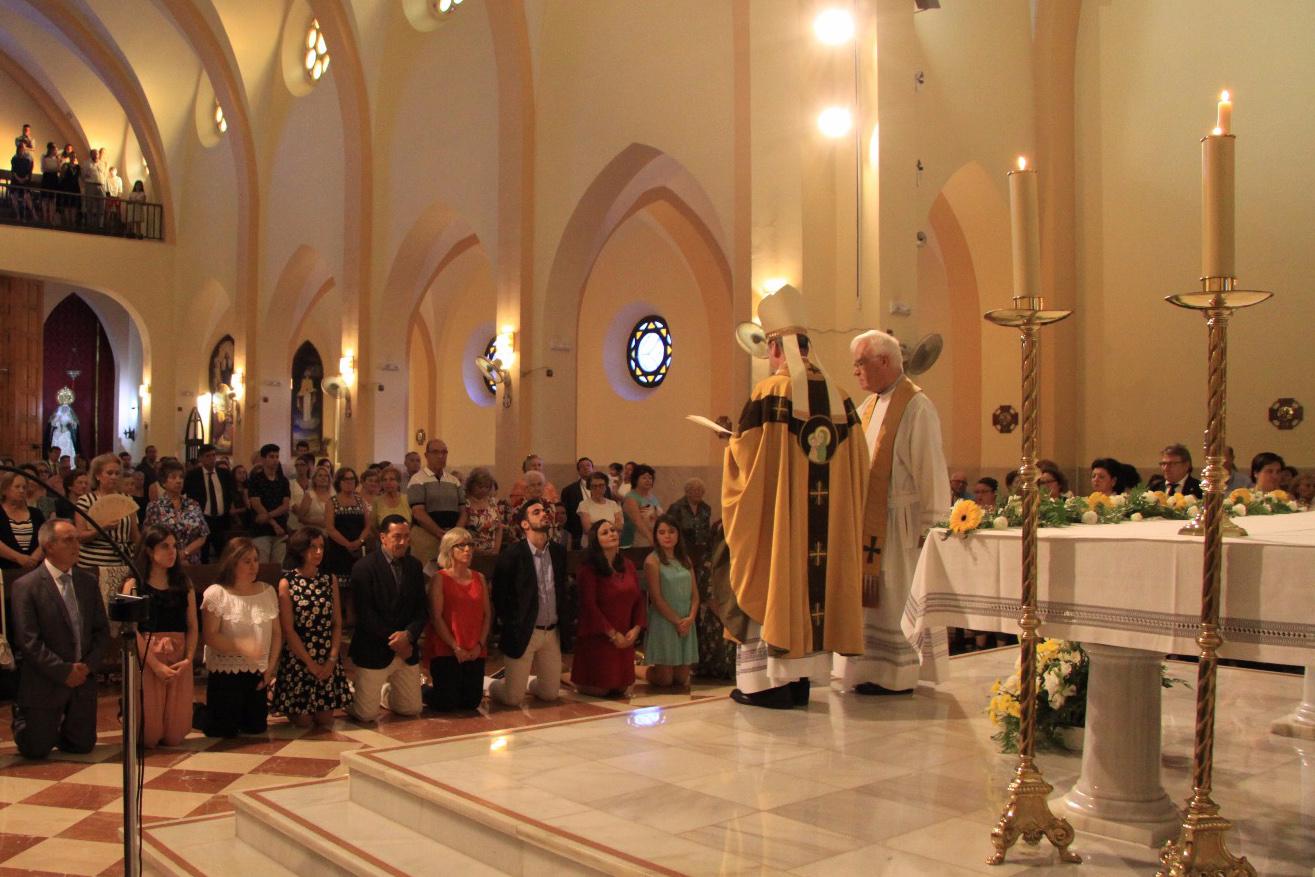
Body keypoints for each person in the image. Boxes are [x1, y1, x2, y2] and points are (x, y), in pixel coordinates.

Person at [720, 285, 867, 709]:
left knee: (766, 578)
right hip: (826, 527)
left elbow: (748, 455)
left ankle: (766, 686)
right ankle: (802, 681)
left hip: (779, 522)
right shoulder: (841, 398)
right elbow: (860, 462)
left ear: (775, 347)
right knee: (813, 588)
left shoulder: (769, 392)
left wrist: (729, 447)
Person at [835, 326, 947, 697]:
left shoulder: (916, 406)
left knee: (897, 597)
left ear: (884, 360)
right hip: (870, 524)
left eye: (860, 362)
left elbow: (931, 471)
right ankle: (867, 670)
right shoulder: (867, 408)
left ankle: (897, 675)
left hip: (902, 529)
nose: (855, 370)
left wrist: (932, 528)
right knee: (871, 604)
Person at [10, 520, 110, 759]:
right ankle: (25, 717)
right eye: (68, 540)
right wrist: (64, 671)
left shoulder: (87, 582)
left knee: (81, 746)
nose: (77, 545)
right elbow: (28, 641)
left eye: (77, 539)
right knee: (36, 749)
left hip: (82, 678)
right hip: (45, 679)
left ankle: (66, 722)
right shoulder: (27, 586)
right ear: (49, 546)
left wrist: (87, 666)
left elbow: (101, 631)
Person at [489, 500, 572, 707]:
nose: (544, 514)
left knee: (550, 694)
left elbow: (562, 590)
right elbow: (499, 595)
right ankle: (491, 685)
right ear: (525, 524)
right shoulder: (512, 555)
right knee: (513, 699)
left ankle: (523, 682)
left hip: (551, 632)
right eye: (536, 512)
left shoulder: (558, 552)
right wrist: (513, 623)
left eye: (544, 510)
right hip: (524, 630)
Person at [120, 526, 198, 747]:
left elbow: (193, 626)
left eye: (174, 546)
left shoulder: (183, 583)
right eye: (165, 546)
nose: (172, 552)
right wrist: (155, 665)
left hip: (178, 653)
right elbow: (131, 628)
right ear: (148, 550)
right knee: (149, 737)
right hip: (147, 654)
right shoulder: (134, 584)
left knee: (174, 736)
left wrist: (188, 659)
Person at [347, 516, 428, 723]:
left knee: (411, 709)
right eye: (397, 537)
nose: (403, 542)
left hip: (406, 648)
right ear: (383, 537)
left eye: (406, 537)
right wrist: (396, 641)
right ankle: (358, 691)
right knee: (366, 715)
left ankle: (383, 694)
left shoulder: (414, 566)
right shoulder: (364, 567)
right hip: (374, 647)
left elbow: (421, 609)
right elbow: (365, 614)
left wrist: (409, 636)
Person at [199, 538, 281, 738]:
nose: (254, 566)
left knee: (256, 728)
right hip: (226, 672)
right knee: (223, 730)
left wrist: (270, 669)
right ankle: (197, 712)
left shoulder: (267, 591)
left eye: (256, 560)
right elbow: (210, 636)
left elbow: (277, 633)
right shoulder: (217, 594)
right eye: (247, 561)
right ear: (232, 563)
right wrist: (241, 646)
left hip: (257, 671)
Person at [272, 528, 352, 728]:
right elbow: (288, 629)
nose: (318, 552)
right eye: (312, 547)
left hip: (325, 652)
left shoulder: (329, 579)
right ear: (300, 550)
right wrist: (310, 664)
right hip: (299, 656)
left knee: (324, 720)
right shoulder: (287, 582)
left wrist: (332, 659)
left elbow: (337, 623)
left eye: (321, 547)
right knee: (304, 722)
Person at [571, 521, 645, 697]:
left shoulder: (628, 565)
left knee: (621, 688)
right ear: (595, 540)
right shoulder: (588, 569)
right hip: (599, 635)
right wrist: (612, 634)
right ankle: (569, 678)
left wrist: (636, 629)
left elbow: (638, 599)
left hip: (624, 635)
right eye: (605, 532)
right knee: (601, 689)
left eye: (613, 530)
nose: (612, 534)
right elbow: (589, 606)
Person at [422, 528, 490, 711]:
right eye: (461, 545)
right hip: (447, 648)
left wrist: (479, 645)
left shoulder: (479, 578)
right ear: (449, 549)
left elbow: (487, 615)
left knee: (471, 702)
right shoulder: (440, 578)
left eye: (470, 545)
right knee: (447, 703)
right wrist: (455, 647)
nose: (467, 549)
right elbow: (436, 617)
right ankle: (420, 689)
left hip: (474, 647)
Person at [75, 453, 141, 619]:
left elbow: (134, 535)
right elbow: (80, 536)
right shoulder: (85, 500)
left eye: (117, 473)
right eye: (109, 473)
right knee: (95, 612)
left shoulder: (126, 500)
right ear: (98, 475)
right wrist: (102, 528)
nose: (114, 477)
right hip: (93, 563)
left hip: (122, 561)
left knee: (121, 612)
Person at [642, 516, 699, 689]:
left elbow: (695, 595)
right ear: (656, 536)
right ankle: (635, 669)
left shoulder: (685, 559)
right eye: (662, 532)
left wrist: (690, 618)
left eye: (671, 531)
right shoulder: (652, 561)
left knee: (681, 679)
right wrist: (677, 622)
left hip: (686, 620)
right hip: (665, 620)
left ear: (678, 534)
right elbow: (656, 598)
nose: (667, 536)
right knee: (665, 680)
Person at [407, 438, 463, 565]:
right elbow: (418, 512)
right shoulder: (417, 480)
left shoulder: (454, 480)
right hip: (426, 537)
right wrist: (439, 533)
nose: (440, 456)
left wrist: (455, 533)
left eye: (444, 452)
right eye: (436, 452)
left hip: (451, 538)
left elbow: (463, 510)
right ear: (427, 455)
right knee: (426, 573)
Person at [144, 460, 209, 565]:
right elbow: (149, 537)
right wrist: (174, 555)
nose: (179, 481)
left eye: (181, 477)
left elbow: (203, 535)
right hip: (165, 562)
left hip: (191, 562)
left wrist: (185, 553)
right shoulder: (155, 507)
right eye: (173, 477)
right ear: (163, 482)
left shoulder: (193, 504)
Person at [183, 444, 238, 562]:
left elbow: (231, 492)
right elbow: (185, 493)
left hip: (221, 519)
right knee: (203, 553)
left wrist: (229, 506)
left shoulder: (224, 474)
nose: (212, 459)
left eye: (213, 455)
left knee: (223, 552)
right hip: (202, 518)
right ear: (201, 458)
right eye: (208, 456)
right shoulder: (193, 475)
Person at [246, 444, 291, 564]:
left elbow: (285, 506)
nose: (275, 460)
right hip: (261, 530)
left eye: (277, 457)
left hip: (280, 529)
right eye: (271, 457)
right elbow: (257, 504)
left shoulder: (283, 481)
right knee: (262, 564)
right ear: (263, 459)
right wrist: (274, 524)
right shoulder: (255, 479)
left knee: (278, 565)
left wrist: (268, 516)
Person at [324, 467, 370, 581]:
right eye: (345, 479)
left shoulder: (361, 501)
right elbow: (330, 528)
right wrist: (347, 544)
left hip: (359, 548)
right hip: (338, 549)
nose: (349, 482)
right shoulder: (332, 502)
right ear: (339, 482)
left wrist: (359, 541)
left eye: (352, 479)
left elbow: (367, 526)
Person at [0, 471, 45, 571]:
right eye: (17, 487)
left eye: (24, 488)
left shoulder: (36, 513)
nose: (21, 490)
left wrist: (34, 558)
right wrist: (19, 558)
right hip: (5, 571)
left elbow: (46, 538)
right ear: (4, 490)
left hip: (35, 570)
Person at [456, 467, 502, 554]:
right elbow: (459, 530)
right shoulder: (466, 504)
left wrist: (496, 549)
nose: (483, 490)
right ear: (472, 485)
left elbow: (499, 528)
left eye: (486, 487)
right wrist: (475, 549)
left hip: (493, 552)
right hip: (472, 551)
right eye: (480, 487)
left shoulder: (492, 502)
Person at [666, 477, 712, 560]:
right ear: (687, 492)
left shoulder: (706, 508)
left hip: (701, 552)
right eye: (694, 490)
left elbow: (707, 531)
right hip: (681, 550)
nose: (698, 493)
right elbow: (670, 530)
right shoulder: (676, 508)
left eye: (700, 490)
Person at [558, 457, 600, 549]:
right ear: (578, 471)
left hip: (601, 534)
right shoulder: (568, 491)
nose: (586, 468)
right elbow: (566, 515)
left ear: (593, 468)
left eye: (588, 465)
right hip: (578, 536)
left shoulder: (604, 488)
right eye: (582, 466)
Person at [576, 471, 623, 547]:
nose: (598, 489)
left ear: (605, 487)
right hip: (591, 545)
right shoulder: (584, 504)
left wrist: (599, 525)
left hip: (610, 543)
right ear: (589, 487)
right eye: (594, 486)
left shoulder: (613, 504)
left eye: (601, 485)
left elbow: (620, 526)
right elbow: (587, 529)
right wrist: (610, 525)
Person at [620, 464, 662, 548]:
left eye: (650, 478)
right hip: (635, 542)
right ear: (636, 479)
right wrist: (652, 540)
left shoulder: (652, 497)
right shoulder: (631, 498)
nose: (648, 480)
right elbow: (638, 522)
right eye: (644, 478)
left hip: (653, 538)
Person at [371, 465, 411, 532]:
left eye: (392, 479)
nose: (388, 483)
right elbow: (373, 526)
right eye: (384, 480)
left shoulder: (407, 499)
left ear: (398, 482)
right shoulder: (377, 501)